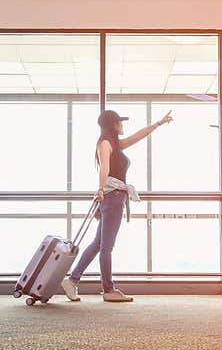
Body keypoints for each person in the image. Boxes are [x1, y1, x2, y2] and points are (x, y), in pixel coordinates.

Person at [61, 108, 173, 302]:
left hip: (112, 197)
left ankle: (72, 281)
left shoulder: (115, 144)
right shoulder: (105, 144)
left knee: (98, 244)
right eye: (120, 122)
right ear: (113, 124)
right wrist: (100, 189)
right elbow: (104, 166)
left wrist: (158, 123)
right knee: (106, 247)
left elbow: (139, 136)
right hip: (112, 198)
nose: (123, 125)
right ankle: (108, 290)